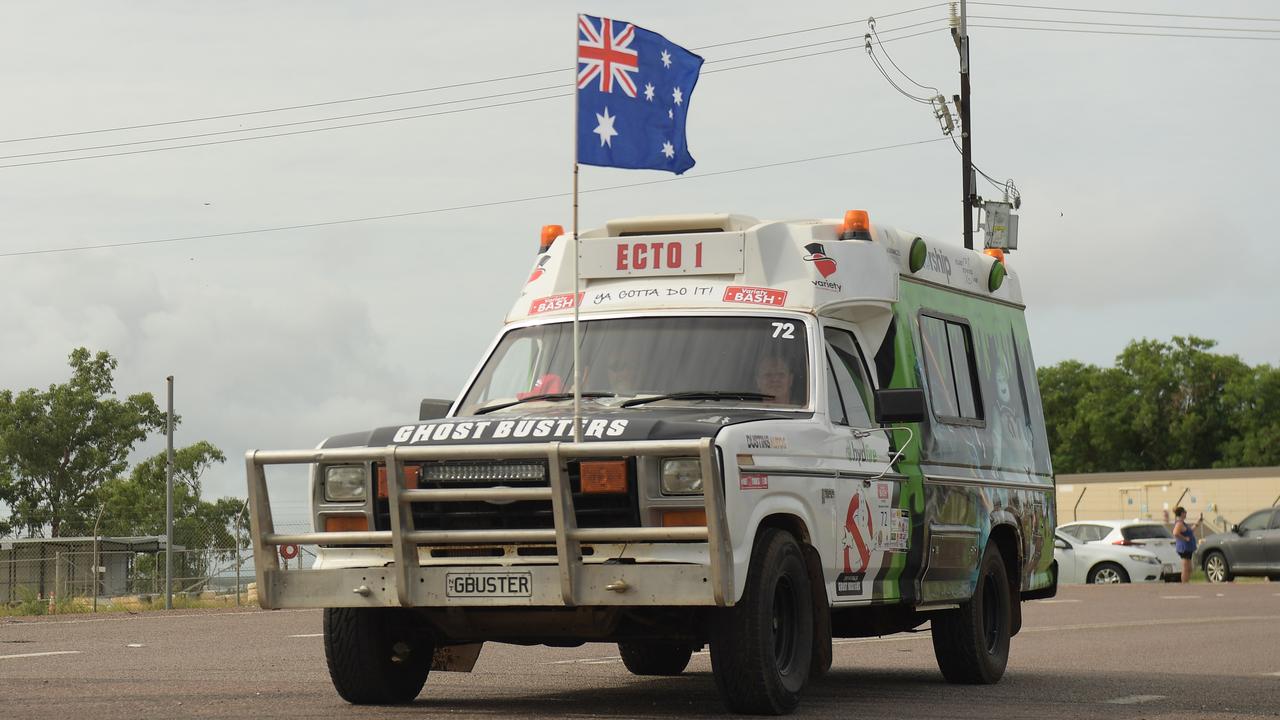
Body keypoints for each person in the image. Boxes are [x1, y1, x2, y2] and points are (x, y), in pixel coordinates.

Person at [1172, 506, 1202, 583]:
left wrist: (1198, 522)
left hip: (1188, 548)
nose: (1186, 514)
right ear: (1182, 513)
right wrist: (1185, 538)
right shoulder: (1179, 523)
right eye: (1185, 512)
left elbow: (1190, 531)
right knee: (1186, 568)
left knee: (1189, 568)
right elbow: (1175, 533)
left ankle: (1186, 582)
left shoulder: (1183, 523)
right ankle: (1184, 584)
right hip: (1184, 548)